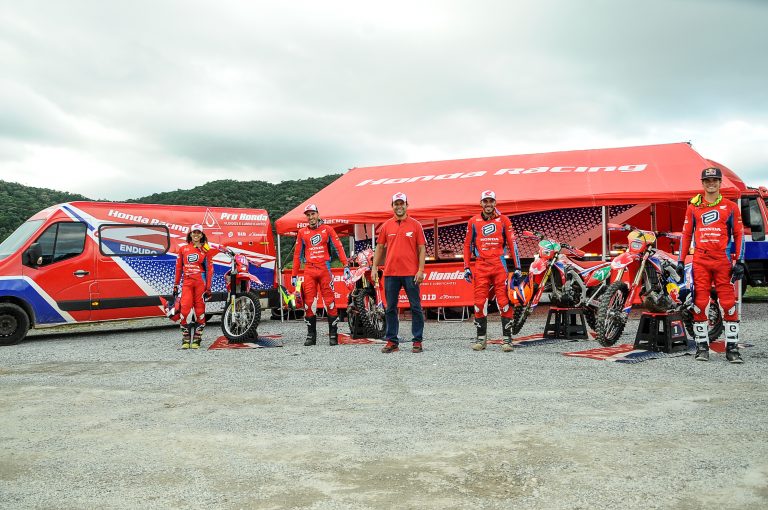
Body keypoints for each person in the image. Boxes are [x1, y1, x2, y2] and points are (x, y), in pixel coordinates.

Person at [678, 167, 746, 363]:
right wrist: (681, 260)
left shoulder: (730, 206)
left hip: (723, 260)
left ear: (719, 182)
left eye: (714, 180)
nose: (711, 184)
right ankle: (702, 348)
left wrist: (740, 260)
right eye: (707, 181)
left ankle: (732, 348)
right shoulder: (693, 206)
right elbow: (686, 234)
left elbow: (739, 234)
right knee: (700, 303)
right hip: (700, 260)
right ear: (702, 183)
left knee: (728, 303)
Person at [463, 190, 521, 352]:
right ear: (481, 203)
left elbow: (512, 243)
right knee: (479, 303)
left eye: (491, 201)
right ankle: (481, 339)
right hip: (481, 265)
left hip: (499, 265)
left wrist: (517, 267)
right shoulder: (473, 221)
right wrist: (466, 267)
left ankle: (507, 340)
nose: (488, 204)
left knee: (503, 302)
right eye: (485, 201)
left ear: (495, 203)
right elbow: (467, 245)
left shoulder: (504, 220)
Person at [371, 192, 426, 353]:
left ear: (407, 205)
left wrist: (421, 270)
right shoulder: (386, 226)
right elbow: (379, 248)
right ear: (392, 206)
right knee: (390, 308)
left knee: (415, 307)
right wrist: (374, 267)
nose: (399, 206)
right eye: (396, 204)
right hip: (391, 273)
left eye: (402, 203)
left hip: (411, 273)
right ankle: (392, 341)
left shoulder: (416, 225)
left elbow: (421, 249)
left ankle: (417, 341)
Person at [292, 204, 351, 346]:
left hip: (325, 269)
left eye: (313, 214)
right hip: (309, 270)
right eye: (308, 215)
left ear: (318, 214)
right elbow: (297, 254)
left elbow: (338, 247)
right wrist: (294, 274)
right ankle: (311, 336)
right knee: (309, 303)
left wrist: (345, 265)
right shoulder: (302, 232)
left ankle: (333, 335)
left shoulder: (328, 229)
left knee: (330, 302)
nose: (310, 217)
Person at [173, 224, 213, 349]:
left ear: (202, 235)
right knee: (184, 309)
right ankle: (185, 339)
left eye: (198, 233)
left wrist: (208, 287)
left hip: (200, 283)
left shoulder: (206, 249)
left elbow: (209, 270)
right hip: (187, 283)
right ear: (190, 234)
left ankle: (197, 339)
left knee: (200, 310)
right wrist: (176, 284)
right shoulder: (183, 249)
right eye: (194, 232)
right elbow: (179, 268)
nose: (196, 235)